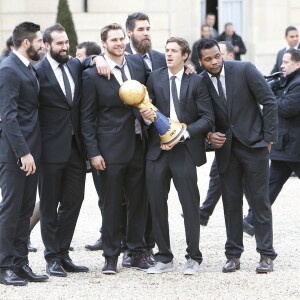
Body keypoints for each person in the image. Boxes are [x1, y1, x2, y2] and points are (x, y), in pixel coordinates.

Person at [198, 38, 278, 273]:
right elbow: (202, 115)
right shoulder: (200, 81)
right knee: (231, 205)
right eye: (208, 59)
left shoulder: (244, 69)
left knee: (259, 202)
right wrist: (208, 136)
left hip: (255, 146)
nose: (214, 62)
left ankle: (266, 255)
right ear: (200, 61)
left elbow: (269, 101)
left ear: (222, 54)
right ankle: (233, 255)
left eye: (216, 56)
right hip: (226, 150)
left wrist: (269, 138)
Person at [81, 23, 152, 275]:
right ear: (104, 44)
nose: (120, 43)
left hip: (137, 143)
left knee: (138, 200)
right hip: (108, 150)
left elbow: (156, 81)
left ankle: (136, 251)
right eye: (114, 40)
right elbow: (86, 118)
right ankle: (110, 255)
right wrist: (93, 153)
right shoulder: (92, 74)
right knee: (111, 203)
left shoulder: (136, 65)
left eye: (122, 38)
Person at [141, 37, 214, 275]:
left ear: (185, 56)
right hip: (156, 151)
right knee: (156, 204)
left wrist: (182, 134)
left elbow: (207, 118)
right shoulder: (155, 77)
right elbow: (147, 111)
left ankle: (194, 257)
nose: (169, 54)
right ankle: (163, 257)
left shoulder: (197, 81)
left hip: (183, 150)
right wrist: (144, 115)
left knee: (189, 205)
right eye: (167, 50)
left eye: (174, 51)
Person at [35, 23, 89, 277]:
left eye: (66, 42)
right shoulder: (37, 72)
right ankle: (52, 257)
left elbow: (91, 60)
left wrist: (97, 59)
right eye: (59, 43)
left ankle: (64, 252)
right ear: (46, 45)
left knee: (73, 202)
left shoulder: (76, 65)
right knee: (48, 205)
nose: (65, 47)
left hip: (76, 149)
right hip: (48, 152)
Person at [0, 21, 48, 286]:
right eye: (40, 41)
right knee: (11, 209)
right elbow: (7, 117)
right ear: (27, 43)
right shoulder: (8, 70)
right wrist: (23, 153)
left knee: (24, 210)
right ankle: (4, 265)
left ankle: (20, 264)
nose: (43, 45)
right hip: (15, 154)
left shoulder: (27, 67)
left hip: (31, 152)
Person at [244, 48, 300, 228]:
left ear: (297, 64)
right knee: (269, 185)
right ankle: (252, 222)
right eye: (282, 62)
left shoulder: (298, 84)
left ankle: (252, 221)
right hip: (285, 147)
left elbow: (286, 108)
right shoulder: (288, 82)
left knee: (269, 185)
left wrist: (268, 98)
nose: (281, 66)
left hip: (294, 147)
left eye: (286, 62)